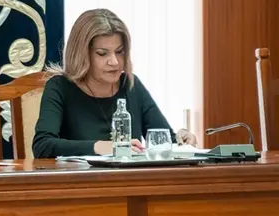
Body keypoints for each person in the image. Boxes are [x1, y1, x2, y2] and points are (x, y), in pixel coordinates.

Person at [32, 8, 197, 158]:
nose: (115, 62)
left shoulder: (131, 84)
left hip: (130, 184)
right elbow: (43, 145)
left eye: (120, 52)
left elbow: (162, 140)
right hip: (79, 185)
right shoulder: (59, 87)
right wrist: (101, 147)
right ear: (81, 54)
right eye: (102, 54)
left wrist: (180, 138)